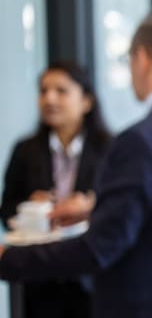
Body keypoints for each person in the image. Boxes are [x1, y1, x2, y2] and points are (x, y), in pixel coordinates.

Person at [0, 8, 152, 318]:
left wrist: (9, 258)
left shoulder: (141, 139)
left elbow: (101, 247)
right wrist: (95, 208)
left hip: (142, 306)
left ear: (143, 58)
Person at [1, 61, 111, 318]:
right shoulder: (25, 150)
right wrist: (29, 210)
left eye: (61, 91)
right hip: (38, 278)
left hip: (89, 278)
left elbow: (119, 215)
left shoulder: (110, 150)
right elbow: (6, 211)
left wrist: (89, 205)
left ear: (86, 101)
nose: (49, 99)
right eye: (44, 90)